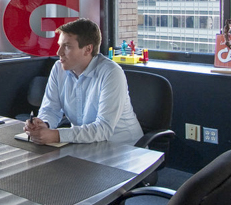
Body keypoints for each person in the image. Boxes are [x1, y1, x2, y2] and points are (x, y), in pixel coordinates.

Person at [25, 18, 143, 146]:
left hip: (125, 150)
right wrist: (43, 124)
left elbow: (103, 129)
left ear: (88, 49)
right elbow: (51, 109)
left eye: (67, 46)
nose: (59, 52)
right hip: (87, 146)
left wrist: (57, 135)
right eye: (60, 45)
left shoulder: (111, 73)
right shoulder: (59, 69)